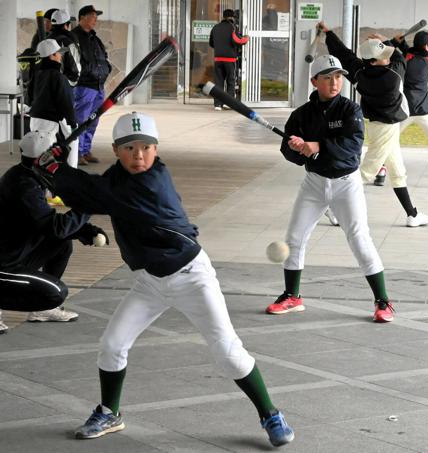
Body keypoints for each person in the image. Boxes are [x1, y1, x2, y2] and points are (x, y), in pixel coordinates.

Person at [34, 112, 294, 446]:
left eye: (146, 147)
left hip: (192, 278)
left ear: (156, 151)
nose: (138, 154)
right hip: (149, 283)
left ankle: (270, 414)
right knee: (112, 346)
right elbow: (91, 191)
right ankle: (109, 412)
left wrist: (52, 167)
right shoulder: (117, 179)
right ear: (116, 150)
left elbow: (92, 193)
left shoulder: (151, 182)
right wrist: (55, 168)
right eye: (129, 148)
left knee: (228, 351)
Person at [265, 55, 395, 323]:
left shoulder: (350, 110)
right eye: (327, 77)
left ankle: (383, 302)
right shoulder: (300, 115)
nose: (335, 82)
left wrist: (318, 145)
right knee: (294, 239)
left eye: (338, 76)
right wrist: (296, 149)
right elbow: (290, 155)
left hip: (347, 184)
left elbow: (352, 148)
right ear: (315, 81)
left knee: (359, 238)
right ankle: (292, 296)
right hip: (314, 183)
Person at [320, 21, 428, 227]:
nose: (388, 56)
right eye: (384, 54)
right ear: (375, 60)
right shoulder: (394, 75)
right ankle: (333, 207)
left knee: (398, 172)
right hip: (386, 128)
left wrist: (329, 34)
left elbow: (345, 55)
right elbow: (399, 56)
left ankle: (412, 214)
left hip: (376, 126)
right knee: (365, 172)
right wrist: (387, 40)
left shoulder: (359, 74)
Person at [0, 131, 107, 322]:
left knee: (62, 243)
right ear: (41, 160)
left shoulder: (27, 174)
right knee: (55, 293)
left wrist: (85, 230)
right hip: (4, 265)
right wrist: (89, 204)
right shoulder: (24, 186)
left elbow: (46, 222)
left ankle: (42, 311)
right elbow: (55, 227)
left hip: (15, 252)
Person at [377, 30, 428, 189]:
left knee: (391, 139)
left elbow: (395, 51)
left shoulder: (404, 58)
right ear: (426, 46)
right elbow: (413, 53)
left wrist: (396, 41)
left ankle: (381, 171)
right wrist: (402, 44)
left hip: (405, 109)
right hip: (423, 109)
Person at [72, 5, 111, 165]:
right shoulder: (74, 37)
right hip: (84, 86)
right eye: (92, 16)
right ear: (82, 17)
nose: (95, 19)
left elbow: (104, 57)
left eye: (96, 16)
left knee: (93, 120)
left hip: (98, 86)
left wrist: (106, 69)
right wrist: (86, 73)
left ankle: (86, 150)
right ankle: (78, 152)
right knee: (81, 120)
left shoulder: (95, 38)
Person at [30, 39, 79, 169]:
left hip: (34, 119)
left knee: (36, 152)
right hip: (49, 122)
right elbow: (66, 101)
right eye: (58, 53)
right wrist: (73, 123)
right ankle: (71, 174)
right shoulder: (58, 77)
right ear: (51, 56)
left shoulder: (37, 74)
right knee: (50, 154)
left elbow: (29, 96)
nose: (61, 56)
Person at [209, 9, 249, 111]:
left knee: (219, 82)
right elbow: (238, 41)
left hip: (218, 59)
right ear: (232, 17)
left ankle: (217, 105)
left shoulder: (215, 27)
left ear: (223, 17)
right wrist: (246, 38)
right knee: (231, 81)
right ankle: (228, 103)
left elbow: (211, 43)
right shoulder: (232, 27)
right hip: (229, 59)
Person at [48, 9, 81, 87]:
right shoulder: (68, 42)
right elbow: (75, 68)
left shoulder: (46, 41)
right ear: (67, 25)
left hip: (47, 85)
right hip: (63, 86)